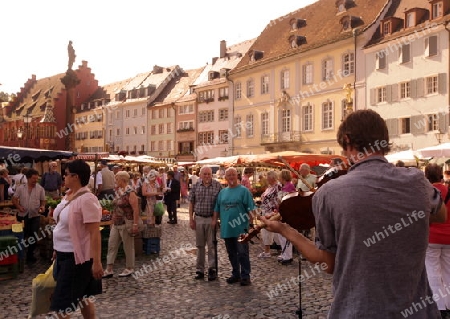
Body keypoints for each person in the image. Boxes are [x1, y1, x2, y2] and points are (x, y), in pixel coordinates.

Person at [260, 109, 446, 318]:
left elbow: (328, 263)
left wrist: (285, 230)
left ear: (347, 141)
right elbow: (441, 215)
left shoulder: (329, 193)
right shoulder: (416, 181)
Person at [50, 159, 103, 319]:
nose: (63, 177)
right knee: (83, 298)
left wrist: (97, 262)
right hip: (63, 254)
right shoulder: (68, 196)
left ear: (76, 177)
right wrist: (56, 248)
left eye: (65, 174)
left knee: (62, 306)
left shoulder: (87, 199)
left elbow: (94, 232)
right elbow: (63, 226)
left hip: (76, 259)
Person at [213, 167, 255, 286]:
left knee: (242, 252)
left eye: (233, 175)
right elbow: (217, 208)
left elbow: (251, 209)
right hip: (227, 228)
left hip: (241, 228)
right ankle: (236, 274)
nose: (231, 177)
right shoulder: (222, 192)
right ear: (225, 178)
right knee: (231, 253)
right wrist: (214, 220)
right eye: (229, 175)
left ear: (237, 176)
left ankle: (245, 275)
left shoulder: (244, 191)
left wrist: (250, 225)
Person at [103, 171, 141, 278]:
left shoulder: (130, 192)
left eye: (117, 179)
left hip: (126, 223)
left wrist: (135, 224)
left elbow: (135, 209)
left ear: (123, 180)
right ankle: (109, 268)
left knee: (128, 246)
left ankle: (129, 267)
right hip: (116, 223)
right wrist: (111, 220)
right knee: (112, 245)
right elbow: (114, 207)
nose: (116, 181)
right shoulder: (119, 191)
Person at [424, 163, 450, 318]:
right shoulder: (448, 190)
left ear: (426, 176)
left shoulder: (427, 192)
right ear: (441, 174)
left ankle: (440, 307)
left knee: (433, 271)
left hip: (431, 237)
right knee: (448, 272)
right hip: (449, 237)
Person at [188, 166, 222, 281]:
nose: (207, 176)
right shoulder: (196, 186)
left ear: (211, 174)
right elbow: (191, 203)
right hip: (198, 218)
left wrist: (216, 219)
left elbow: (220, 204)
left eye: (209, 174)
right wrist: (191, 219)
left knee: (212, 245)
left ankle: (212, 269)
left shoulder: (217, 186)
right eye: (205, 174)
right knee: (200, 245)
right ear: (200, 175)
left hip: (211, 219)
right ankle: (200, 270)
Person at [12, 168, 46, 263]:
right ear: (28, 178)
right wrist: (18, 206)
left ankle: (30, 256)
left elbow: (43, 200)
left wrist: (42, 206)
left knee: (33, 237)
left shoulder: (40, 188)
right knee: (21, 236)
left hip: (35, 216)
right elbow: (14, 199)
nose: (35, 180)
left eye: (37, 178)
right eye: (33, 179)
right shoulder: (20, 188)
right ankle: (20, 256)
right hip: (22, 216)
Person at [257, 171, 281, 259]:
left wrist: (273, 209)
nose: (266, 178)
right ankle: (274, 250)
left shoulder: (278, 186)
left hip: (271, 212)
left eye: (267, 177)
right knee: (269, 232)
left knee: (268, 231)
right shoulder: (270, 187)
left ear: (272, 177)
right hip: (266, 211)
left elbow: (278, 199)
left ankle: (268, 251)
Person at [276, 169, 296, 264]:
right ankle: (285, 254)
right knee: (281, 235)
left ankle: (288, 256)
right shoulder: (285, 187)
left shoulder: (289, 187)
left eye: (279, 176)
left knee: (286, 235)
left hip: (287, 215)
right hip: (282, 214)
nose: (278, 178)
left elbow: (289, 202)